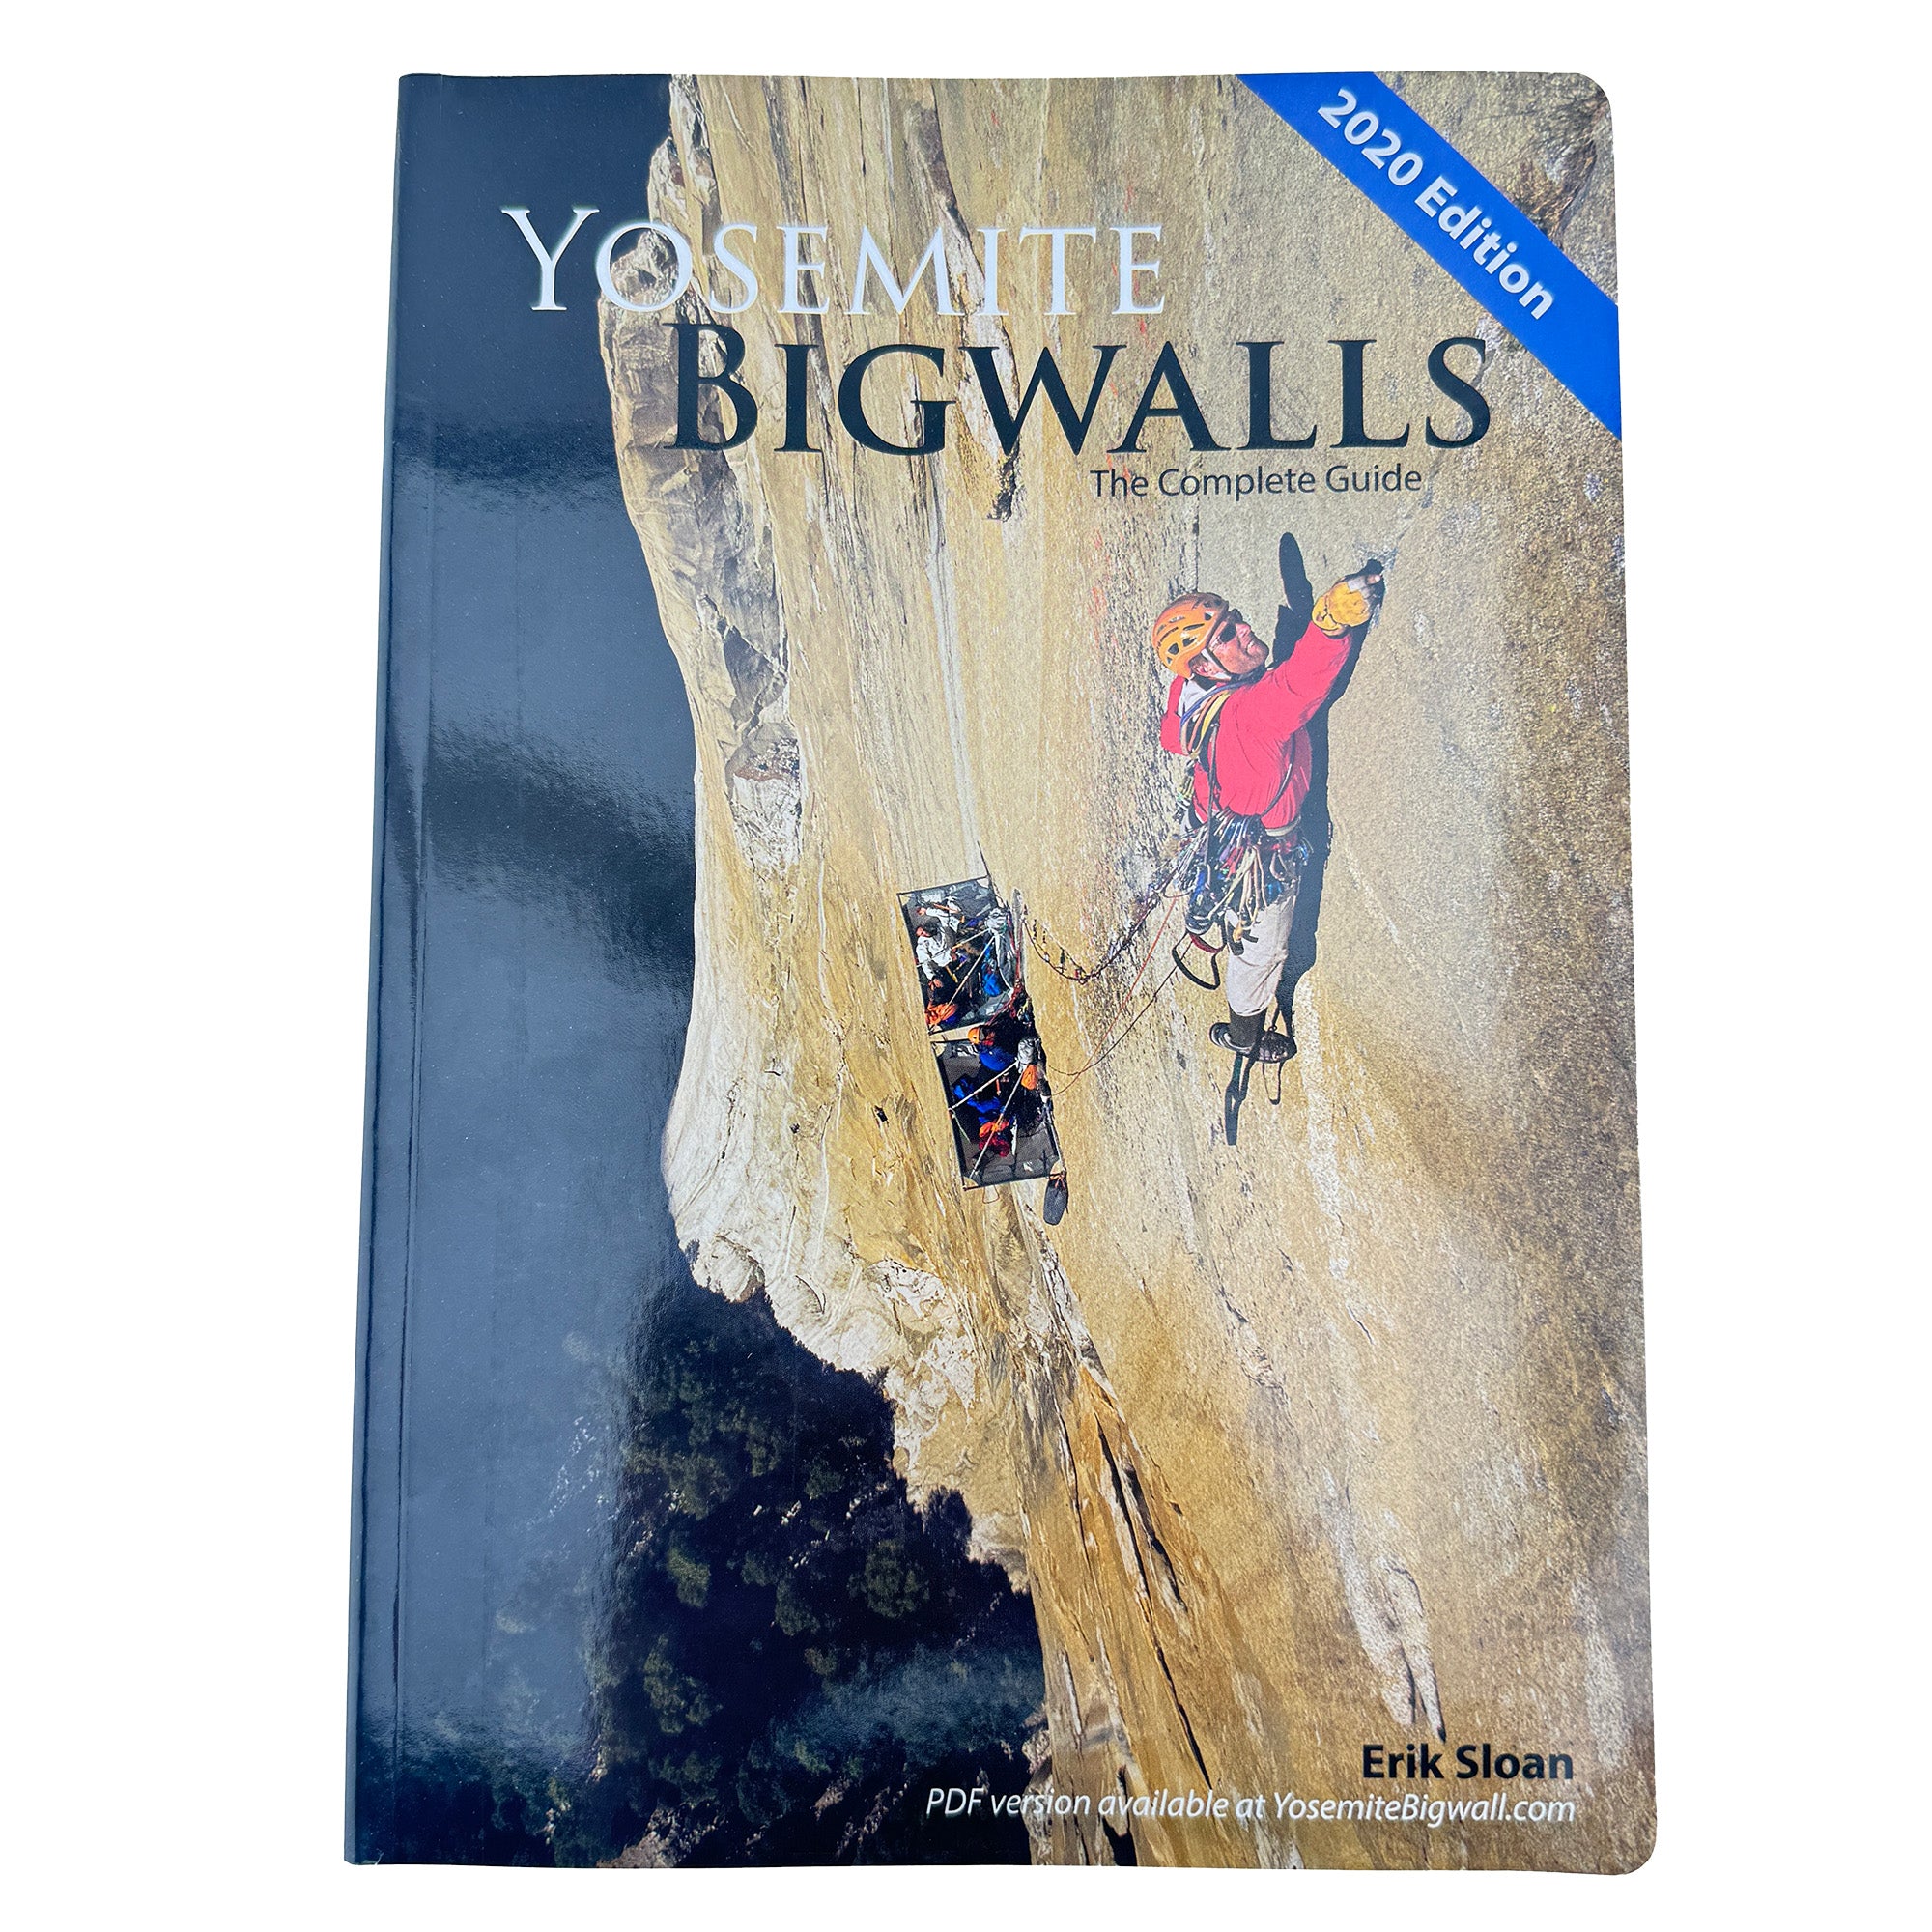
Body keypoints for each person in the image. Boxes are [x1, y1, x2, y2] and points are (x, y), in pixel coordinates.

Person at [1153, 550, 1381, 1063]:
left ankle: (1213, 930)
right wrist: (1328, 623)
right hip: (1260, 853)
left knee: (1232, 909)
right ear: (1206, 666)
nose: (1244, 629)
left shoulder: (1193, 698)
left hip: (1218, 823)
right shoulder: (1249, 714)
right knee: (1263, 952)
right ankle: (1244, 1035)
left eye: (1234, 618)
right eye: (1227, 635)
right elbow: (1298, 684)